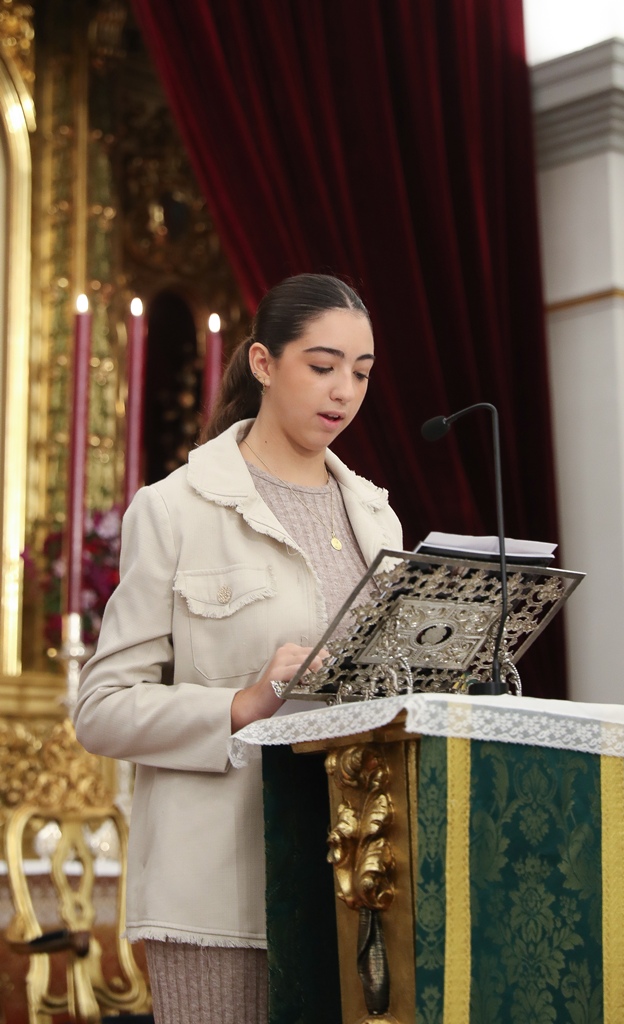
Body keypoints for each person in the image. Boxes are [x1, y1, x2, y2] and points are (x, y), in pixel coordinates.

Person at [73, 273, 403, 1024]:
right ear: (262, 363)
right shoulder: (174, 509)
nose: (343, 392)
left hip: (358, 885)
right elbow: (101, 709)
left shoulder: (377, 519)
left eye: (360, 373)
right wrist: (243, 703)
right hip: (219, 895)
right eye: (322, 366)